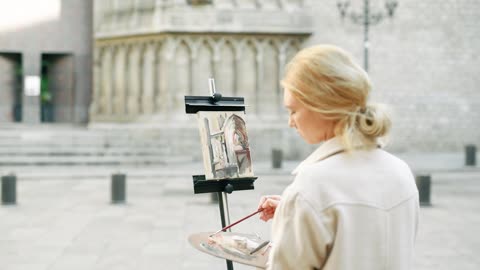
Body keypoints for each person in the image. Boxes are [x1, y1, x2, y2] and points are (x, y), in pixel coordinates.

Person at [257, 44, 419, 270]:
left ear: (323, 106)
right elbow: (367, 240)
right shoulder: (400, 170)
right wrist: (293, 213)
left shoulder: (313, 185)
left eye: (293, 110)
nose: (290, 121)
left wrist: (298, 213)